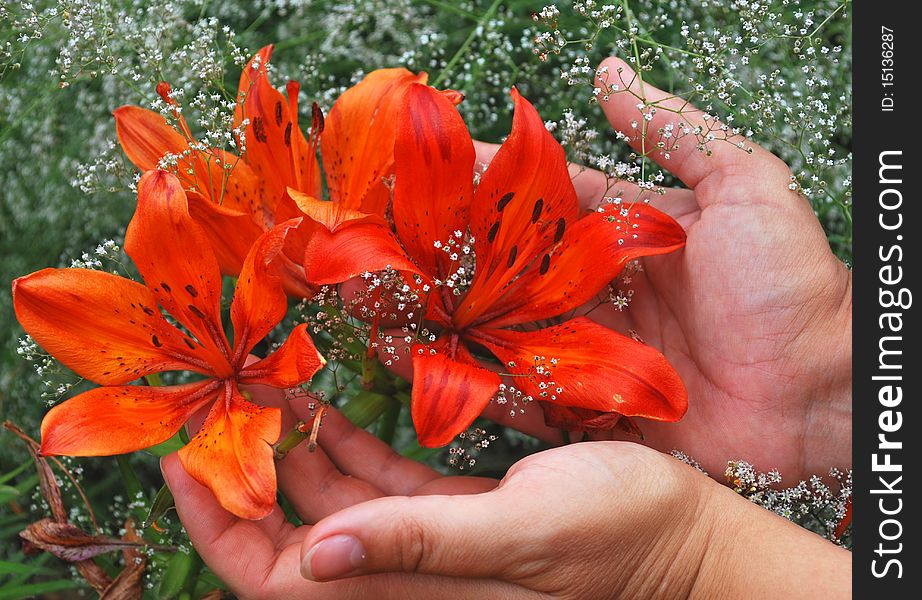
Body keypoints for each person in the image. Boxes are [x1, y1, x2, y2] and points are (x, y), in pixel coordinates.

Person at [160, 57, 852, 599]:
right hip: (462, 323)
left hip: (485, 334)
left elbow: (629, 251)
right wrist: (823, 376)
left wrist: (690, 562)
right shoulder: (355, 263)